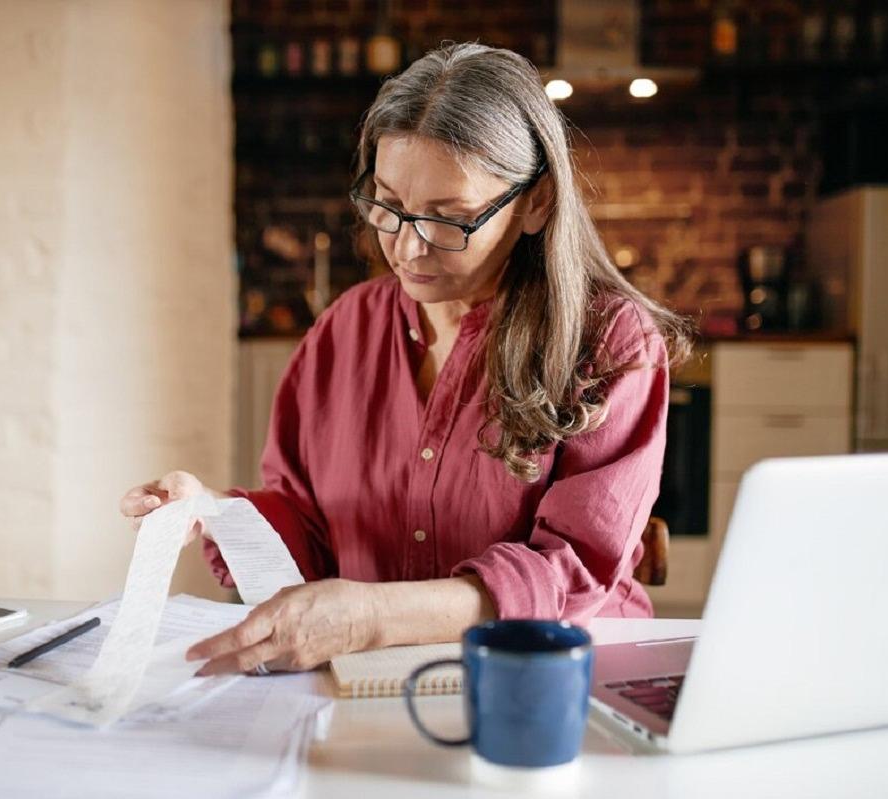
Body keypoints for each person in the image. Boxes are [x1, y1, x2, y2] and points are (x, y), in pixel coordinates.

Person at [120, 42, 689, 677]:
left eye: (451, 219)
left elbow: (570, 572)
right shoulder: (345, 331)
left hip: (548, 680)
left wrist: (371, 617)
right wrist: (213, 514)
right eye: (388, 204)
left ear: (537, 202)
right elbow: (308, 523)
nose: (407, 247)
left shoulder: (609, 340)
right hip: (371, 679)